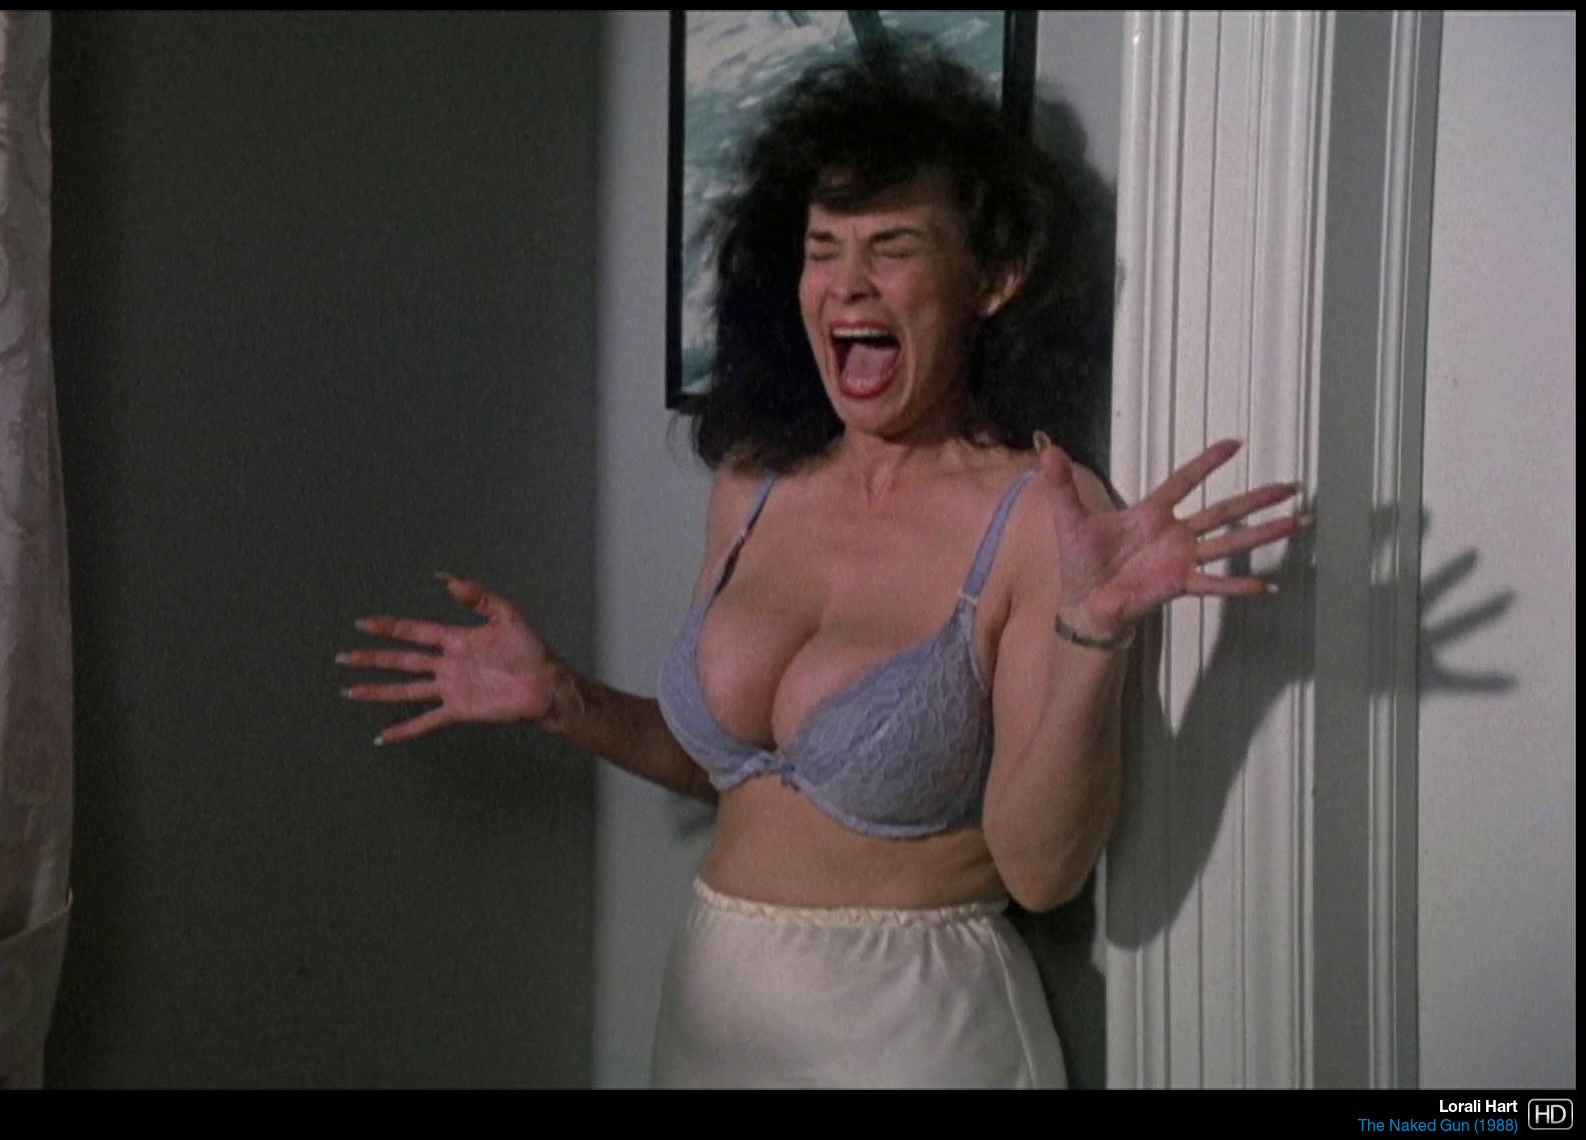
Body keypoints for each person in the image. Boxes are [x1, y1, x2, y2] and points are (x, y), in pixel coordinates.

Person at [336, 44, 1302, 1087]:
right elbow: (731, 769)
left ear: (992, 279)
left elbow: (1041, 869)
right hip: (709, 1021)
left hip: (916, 1036)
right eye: (822, 248)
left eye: (892, 248)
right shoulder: (754, 482)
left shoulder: (1038, 517)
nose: (846, 283)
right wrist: (565, 699)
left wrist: (1092, 634)